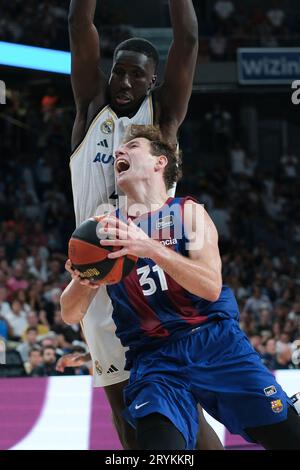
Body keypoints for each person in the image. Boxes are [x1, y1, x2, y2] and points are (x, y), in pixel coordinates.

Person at [61, 127, 300, 449]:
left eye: (131, 146)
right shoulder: (104, 228)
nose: (119, 152)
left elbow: (210, 287)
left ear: (160, 162)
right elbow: (69, 312)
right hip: (155, 359)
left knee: (288, 438)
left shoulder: (188, 212)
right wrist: (84, 280)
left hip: (215, 343)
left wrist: (150, 247)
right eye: (117, 150)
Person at [63, 0, 223, 450]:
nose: (126, 81)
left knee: (176, 404)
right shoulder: (89, 110)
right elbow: (79, 22)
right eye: (119, 71)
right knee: (123, 409)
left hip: (152, 273)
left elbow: (188, 39)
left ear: (153, 80)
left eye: (137, 74)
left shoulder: (163, 123)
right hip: (96, 273)